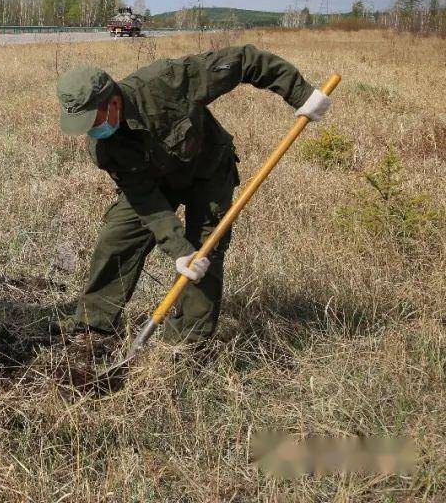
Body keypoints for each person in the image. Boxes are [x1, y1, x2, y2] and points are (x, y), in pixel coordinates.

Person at [55, 45, 331, 348]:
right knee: (117, 237)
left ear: (112, 100)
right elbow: (145, 200)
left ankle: (186, 343)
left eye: (94, 119)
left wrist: (300, 92)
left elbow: (245, 60)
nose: (92, 130)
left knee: (204, 253)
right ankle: (93, 326)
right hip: (156, 184)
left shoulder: (169, 82)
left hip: (208, 172)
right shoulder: (104, 148)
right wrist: (177, 249)